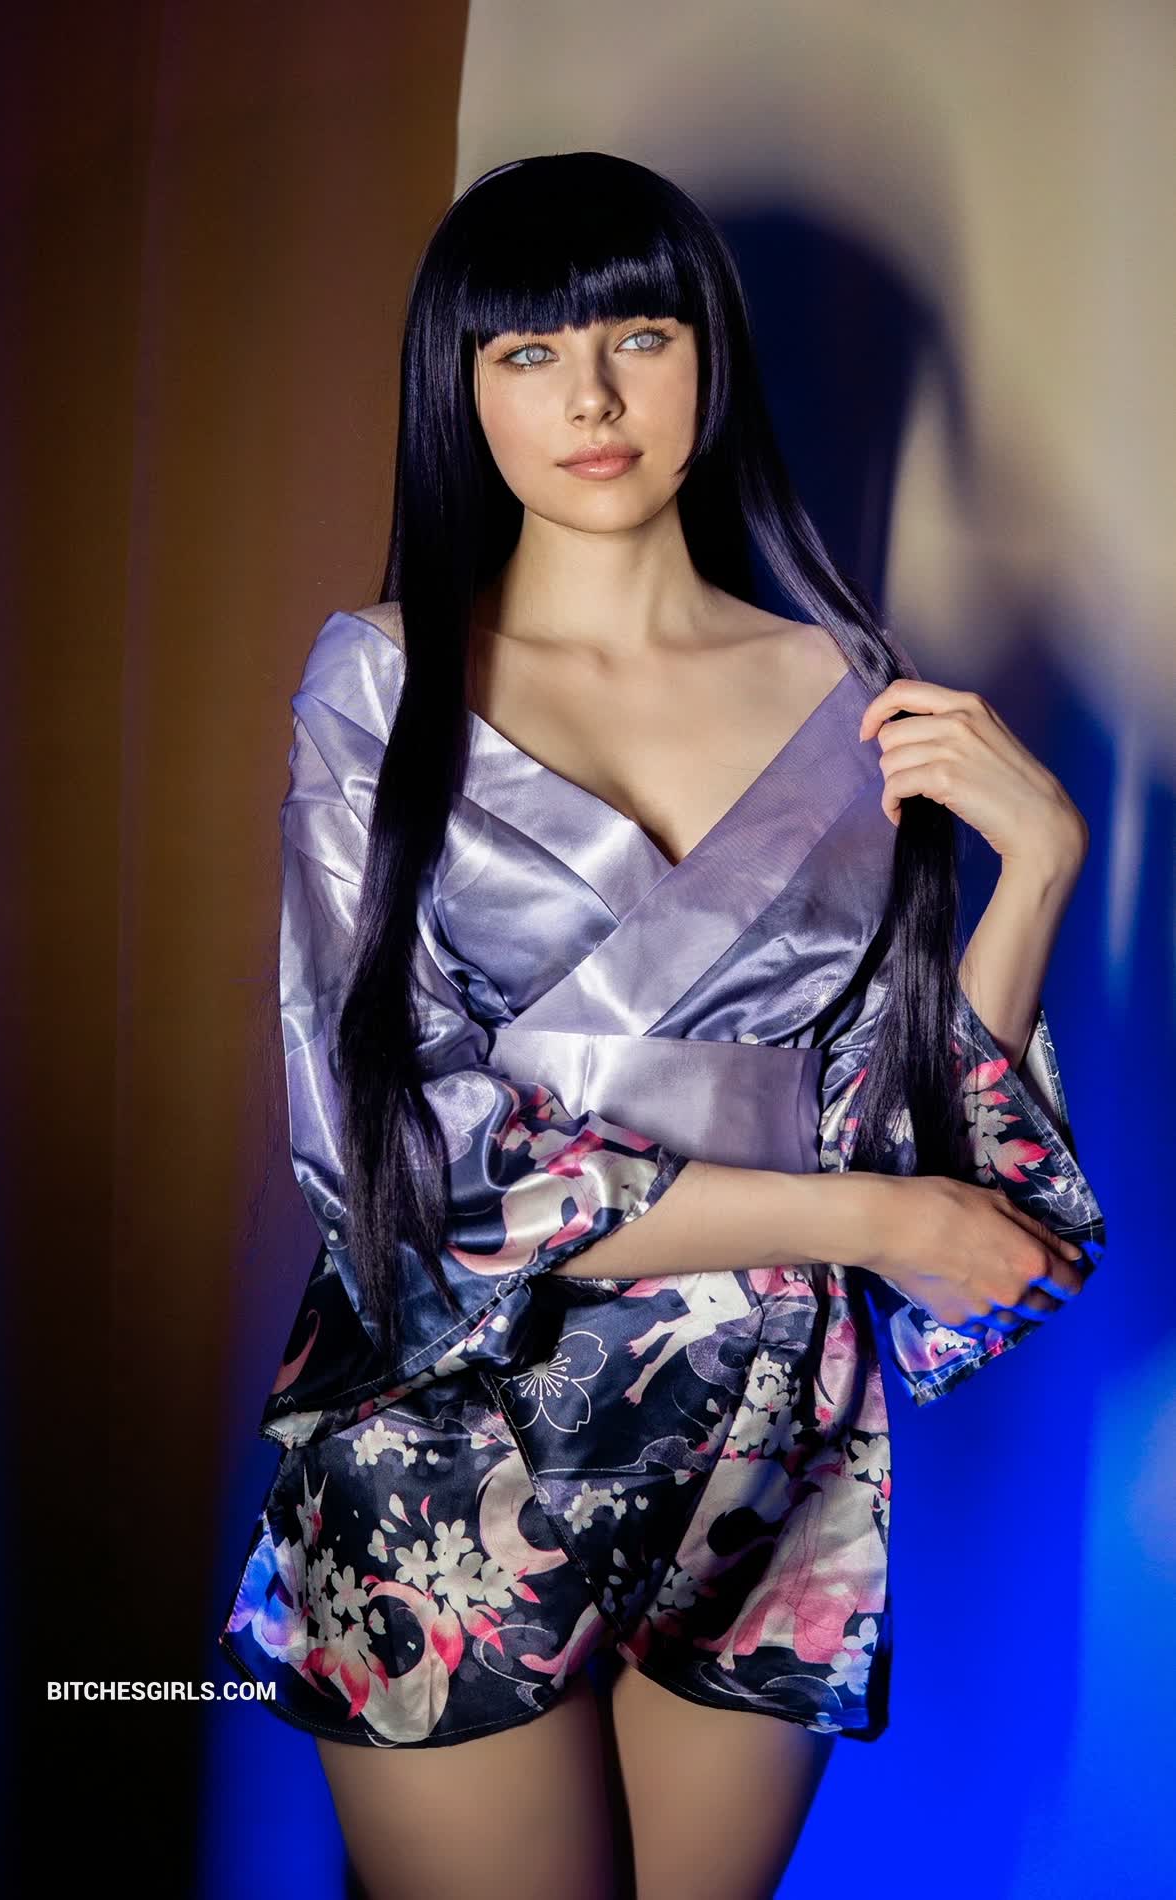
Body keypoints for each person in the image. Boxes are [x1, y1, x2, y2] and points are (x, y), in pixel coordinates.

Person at [219, 152, 1106, 1899]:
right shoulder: (383, 685)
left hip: (774, 1441)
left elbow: (917, 1150)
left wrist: (1043, 868)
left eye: (638, 337)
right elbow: (396, 1158)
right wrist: (866, 1220)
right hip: (457, 1441)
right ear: (460, 391)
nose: (593, 400)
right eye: (528, 354)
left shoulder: (850, 692)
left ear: (712, 356)